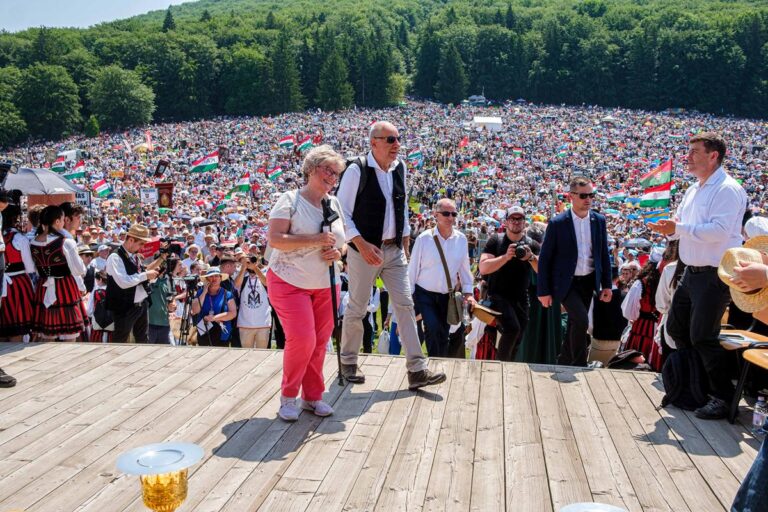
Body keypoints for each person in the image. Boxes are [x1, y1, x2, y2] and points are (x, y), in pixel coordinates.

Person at [336, 121, 445, 389]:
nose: (397, 144)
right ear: (373, 142)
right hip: (363, 250)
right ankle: (348, 362)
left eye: (398, 139)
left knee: (405, 305)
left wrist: (404, 244)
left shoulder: (399, 168)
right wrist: (361, 244)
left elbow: (402, 207)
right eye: (390, 139)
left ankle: (417, 369)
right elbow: (342, 212)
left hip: (393, 250)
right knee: (358, 306)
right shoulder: (357, 170)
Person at [648, 132, 747, 419]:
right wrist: (670, 227)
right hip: (691, 271)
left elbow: (718, 231)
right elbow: (682, 224)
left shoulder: (727, 190)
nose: (687, 157)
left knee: (702, 336)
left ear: (713, 156)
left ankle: (722, 396)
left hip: (714, 274)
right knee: (676, 328)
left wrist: (678, 229)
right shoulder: (694, 189)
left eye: (694, 151)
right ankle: (694, 386)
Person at [267, 145, 345, 421]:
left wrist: (338, 253)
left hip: (326, 282)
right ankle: (288, 396)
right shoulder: (290, 200)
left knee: (320, 341)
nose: (332, 177)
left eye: (336, 173)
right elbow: (275, 239)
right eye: (328, 170)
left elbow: (342, 243)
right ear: (311, 169)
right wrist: (315, 241)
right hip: (289, 280)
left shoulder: (333, 203)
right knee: (302, 338)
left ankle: (313, 397)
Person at [537, 177, 613, 367]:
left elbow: (603, 254)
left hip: (588, 280)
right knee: (581, 320)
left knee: (575, 322)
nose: (588, 199)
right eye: (583, 196)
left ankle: (563, 360)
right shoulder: (558, 223)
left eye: (591, 195)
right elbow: (545, 258)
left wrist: (607, 285)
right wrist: (543, 291)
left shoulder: (598, 220)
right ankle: (579, 364)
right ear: (571, 196)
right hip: (566, 283)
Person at [408, 198, 474, 357]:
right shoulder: (424, 238)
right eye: (446, 213)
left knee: (444, 333)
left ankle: (439, 362)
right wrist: (409, 297)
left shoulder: (461, 239)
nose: (450, 217)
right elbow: (413, 269)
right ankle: (435, 362)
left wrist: (468, 293)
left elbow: (465, 269)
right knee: (433, 327)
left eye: (453, 214)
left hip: (447, 295)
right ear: (436, 215)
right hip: (424, 294)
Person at [478, 205, 539, 362]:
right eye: (512, 218)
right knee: (512, 329)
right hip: (497, 295)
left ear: (525, 222)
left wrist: (531, 257)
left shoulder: (531, 244)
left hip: (521, 297)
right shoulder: (496, 240)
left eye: (520, 219)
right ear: (506, 222)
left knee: (518, 337)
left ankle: (507, 365)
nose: (516, 222)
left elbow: (543, 270)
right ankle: (501, 366)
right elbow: (483, 267)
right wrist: (505, 257)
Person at [29, 205, 87, 341]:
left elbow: (34, 268)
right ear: (56, 221)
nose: (63, 222)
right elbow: (79, 270)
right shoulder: (66, 242)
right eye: (62, 219)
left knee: (48, 333)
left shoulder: (33, 242)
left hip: (43, 286)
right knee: (69, 334)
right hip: (65, 286)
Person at [105, 224, 161, 343]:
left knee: (143, 339)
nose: (142, 247)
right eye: (141, 243)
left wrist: (150, 276)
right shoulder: (115, 257)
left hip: (141, 304)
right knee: (120, 340)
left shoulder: (134, 256)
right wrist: (146, 275)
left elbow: (138, 278)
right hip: (124, 307)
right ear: (130, 240)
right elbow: (124, 282)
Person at [0, 202, 36, 342]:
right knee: (17, 325)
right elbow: (30, 267)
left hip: (2, 281)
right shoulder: (20, 238)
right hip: (17, 285)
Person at [621, 252, 663, 371]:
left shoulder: (641, 283)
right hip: (660, 327)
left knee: (635, 361)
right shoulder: (667, 282)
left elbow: (628, 311)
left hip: (641, 328)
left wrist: (634, 317)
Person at [190, 266, 237, 346]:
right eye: (211, 276)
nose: (214, 278)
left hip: (222, 333)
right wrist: (204, 292)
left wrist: (214, 318)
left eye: (216, 276)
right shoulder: (200, 292)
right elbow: (195, 310)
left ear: (220, 278)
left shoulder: (227, 294)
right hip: (204, 330)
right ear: (207, 279)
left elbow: (233, 313)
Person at [234, 254, 271, 348]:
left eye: (253, 260)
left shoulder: (264, 273)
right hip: (245, 323)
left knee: (262, 353)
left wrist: (255, 268)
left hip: (263, 323)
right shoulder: (242, 275)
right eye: (248, 261)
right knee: (246, 354)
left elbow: (267, 283)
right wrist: (243, 267)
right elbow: (236, 284)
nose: (250, 263)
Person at [147, 255, 178, 344]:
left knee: (163, 351)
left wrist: (173, 305)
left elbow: (172, 299)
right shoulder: (146, 280)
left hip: (164, 324)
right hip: (148, 324)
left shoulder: (169, 280)